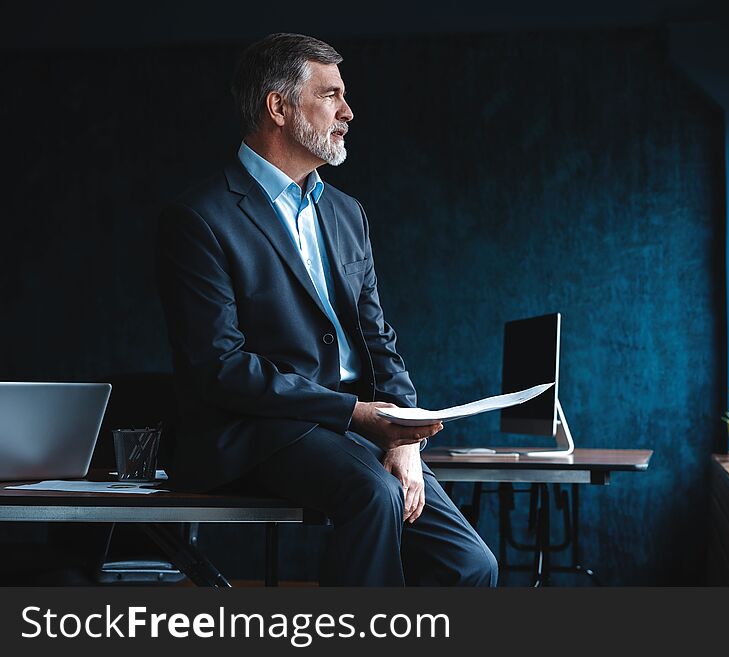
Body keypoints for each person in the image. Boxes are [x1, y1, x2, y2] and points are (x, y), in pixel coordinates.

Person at [156, 33, 498, 586]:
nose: (348, 111)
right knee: (375, 493)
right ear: (279, 106)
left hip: (361, 429)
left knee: (472, 565)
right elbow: (218, 367)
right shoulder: (199, 218)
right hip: (264, 429)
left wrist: (405, 435)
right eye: (331, 95)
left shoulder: (346, 212)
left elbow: (377, 337)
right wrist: (355, 415)